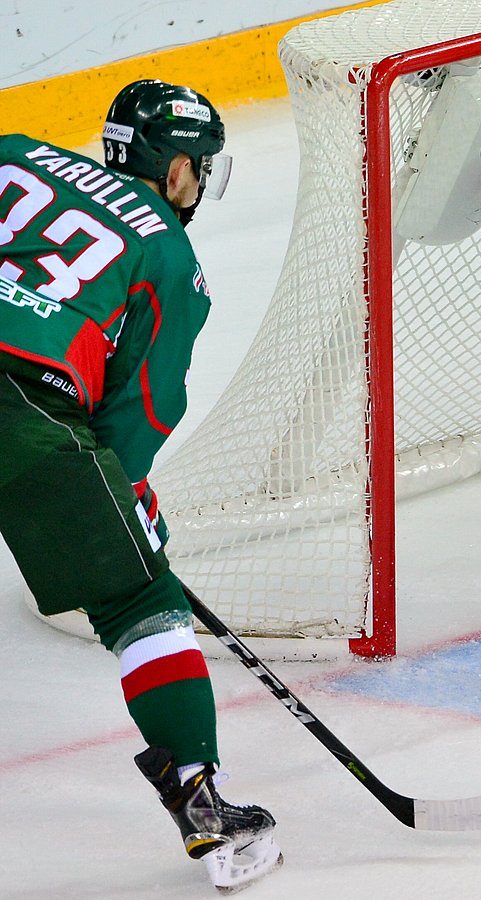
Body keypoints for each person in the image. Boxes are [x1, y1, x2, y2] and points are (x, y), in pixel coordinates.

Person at [0, 80, 282, 890]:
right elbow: (141, 407)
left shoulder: (16, 151)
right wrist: (123, 491)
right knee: (136, 599)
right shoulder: (166, 250)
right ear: (176, 165)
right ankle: (201, 802)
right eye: (200, 167)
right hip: (23, 415)